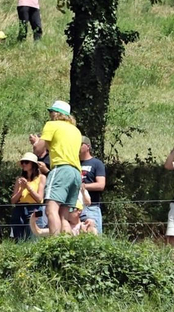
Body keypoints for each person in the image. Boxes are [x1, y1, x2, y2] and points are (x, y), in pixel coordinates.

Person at [30, 100, 83, 236]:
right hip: (76, 173)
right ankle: (65, 245)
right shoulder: (76, 131)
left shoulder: (52, 125)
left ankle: (55, 244)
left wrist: (36, 142)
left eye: (51, 112)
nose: (50, 115)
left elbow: (38, 149)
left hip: (61, 169)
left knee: (51, 210)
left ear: (57, 113)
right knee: (64, 216)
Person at [10, 153, 47, 241]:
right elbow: (13, 200)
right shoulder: (19, 179)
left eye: (26, 162)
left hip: (35, 208)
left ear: (33, 164)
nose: (23, 164)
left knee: (35, 236)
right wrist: (21, 190)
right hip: (19, 208)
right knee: (18, 237)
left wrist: (28, 187)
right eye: (22, 162)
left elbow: (39, 199)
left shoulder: (41, 177)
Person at [79, 137, 107, 234]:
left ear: (88, 146)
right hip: (75, 208)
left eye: (80, 144)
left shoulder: (97, 163)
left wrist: (83, 186)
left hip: (92, 207)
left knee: (94, 237)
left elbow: (101, 185)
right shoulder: (74, 163)